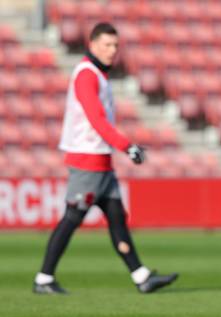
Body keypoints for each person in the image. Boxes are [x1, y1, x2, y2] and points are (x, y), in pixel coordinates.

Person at [33, 22, 178, 294]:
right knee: (72, 218)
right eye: (107, 45)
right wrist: (127, 146)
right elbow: (96, 119)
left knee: (116, 218)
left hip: (102, 163)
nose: (112, 51)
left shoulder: (98, 75)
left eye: (115, 46)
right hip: (87, 162)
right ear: (92, 45)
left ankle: (141, 276)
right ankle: (44, 278)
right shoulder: (87, 75)